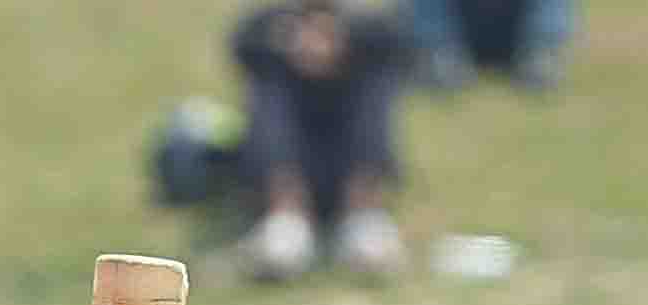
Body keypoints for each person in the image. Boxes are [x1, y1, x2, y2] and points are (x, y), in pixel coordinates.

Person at [230, 0, 411, 279]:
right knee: (268, 85)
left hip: (350, 163)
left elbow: (402, 43)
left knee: (376, 81)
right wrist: (289, 38)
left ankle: (364, 216)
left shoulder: (368, 30)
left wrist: (342, 37)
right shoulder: (273, 25)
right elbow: (240, 44)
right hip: (292, 164)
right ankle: (286, 219)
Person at [403, 0, 575, 91]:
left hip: (518, 35)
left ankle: (540, 54)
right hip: (454, 36)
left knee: (538, 52)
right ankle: (440, 56)